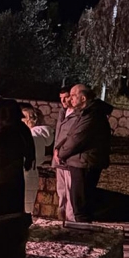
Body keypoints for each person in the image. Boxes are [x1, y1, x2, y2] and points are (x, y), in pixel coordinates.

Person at [55, 84, 113, 223]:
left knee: (80, 205)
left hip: (84, 163)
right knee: (79, 204)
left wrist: (60, 154)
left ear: (83, 98)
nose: (71, 99)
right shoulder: (87, 112)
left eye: (73, 96)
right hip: (81, 162)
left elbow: (77, 138)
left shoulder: (91, 114)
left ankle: (81, 235)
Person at [0, 98, 35, 209]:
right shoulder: (22, 127)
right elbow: (29, 151)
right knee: (14, 203)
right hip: (16, 172)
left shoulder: (3, 129)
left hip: (0, 174)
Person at [21, 105, 55, 215]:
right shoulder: (39, 135)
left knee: (25, 205)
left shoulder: (32, 136)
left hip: (26, 172)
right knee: (28, 204)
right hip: (32, 172)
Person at [52, 88, 76, 221]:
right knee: (61, 191)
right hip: (58, 159)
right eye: (61, 98)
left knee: (70, 190)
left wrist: (61, 152)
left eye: (66, 97)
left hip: (68, 158)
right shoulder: (63, 112)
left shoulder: (78, 114)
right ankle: (61, 219)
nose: (63, 101)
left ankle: (70, 219)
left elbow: (71, 137)